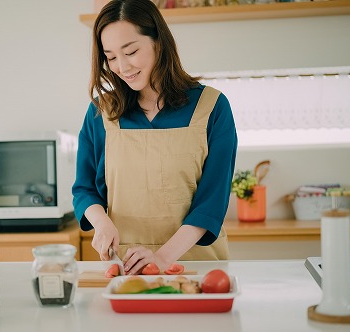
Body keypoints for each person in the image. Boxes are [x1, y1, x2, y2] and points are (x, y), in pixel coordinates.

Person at [72, 0, 237, 275]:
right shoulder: (101, 112)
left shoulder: (212, 107)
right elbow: (84, 190)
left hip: (196, 268)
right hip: (127, 269)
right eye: (111, 57)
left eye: (131, 51)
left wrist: (161, 258)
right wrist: (101, 223)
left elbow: (212, 202)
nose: (122, 67)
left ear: (159, 42)